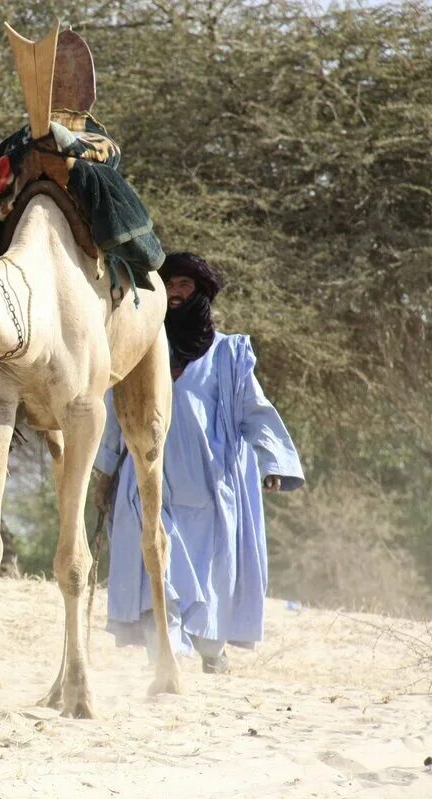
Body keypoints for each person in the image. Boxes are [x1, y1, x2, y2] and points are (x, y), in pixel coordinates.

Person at [95, 251, 304, 674]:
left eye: (185, 286)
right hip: (149, 482)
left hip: (210, 491)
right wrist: (101, 470)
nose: (175, 293)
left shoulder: (228, 355)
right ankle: (164, 661)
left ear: (201, 294)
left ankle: (210, 651)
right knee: (156, 563)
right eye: (169, 284)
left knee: (210, 577)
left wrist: (273, 461)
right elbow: (116, 412)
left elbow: (255, 411)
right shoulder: (137, 349)